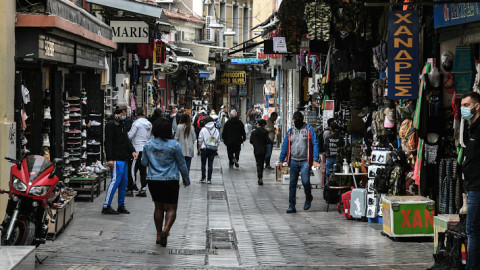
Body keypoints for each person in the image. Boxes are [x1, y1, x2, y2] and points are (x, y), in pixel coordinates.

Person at [141, 118, 190, 246]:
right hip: (170, 180)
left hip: (154, 180)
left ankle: (158, 235)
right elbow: (182, 164)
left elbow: (144, 162)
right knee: (171, 208)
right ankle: (166, 229)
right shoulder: (174, 145)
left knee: (158, 207)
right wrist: (186, 179)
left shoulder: (148, 145)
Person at [279, 111, 320, 214]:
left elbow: (315, 143)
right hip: (293, 161)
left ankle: (308, 197)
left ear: (302, 119)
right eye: (295, 118)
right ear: (293, 119)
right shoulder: (290, 131)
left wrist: (315, 159)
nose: (297, 120)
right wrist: (281, 160)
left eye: (298, 118)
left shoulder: (309, 129)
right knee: (292, 183)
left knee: (305, 181)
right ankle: (291, 205)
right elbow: (285, 145)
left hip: (305, 161)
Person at [102, 102, 137, 215]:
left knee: (123, 182)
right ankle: (106, 205)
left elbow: (126, 139)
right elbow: (108, 143)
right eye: (125, 112)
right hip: (116, 158)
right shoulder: (111, 124)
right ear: (122, 112)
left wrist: (132, 150)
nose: (126, 114)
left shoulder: (121, 123)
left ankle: (121, 205)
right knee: (115, 181)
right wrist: (110, 159)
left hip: (123, 157)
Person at [461, 92, 480, 269]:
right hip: (472, 186)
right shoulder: (471, 128)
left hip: (477, 187)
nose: (463, 109)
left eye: (467, 105)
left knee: (472, 231)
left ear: (477, 106)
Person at [127, 108, 152, 197]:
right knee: (143, 170)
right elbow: (150, 137)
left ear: (136, 114)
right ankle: (143, 189)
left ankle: (130, 188)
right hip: (145, 149)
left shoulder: (136, 123)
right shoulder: (149, 124)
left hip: (136, 149)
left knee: (132, 169)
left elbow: (130, 136)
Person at [198, 116, 221, 184]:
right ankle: (209, 179)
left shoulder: (203, 129)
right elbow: (218, 140)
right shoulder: (216, 130)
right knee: (210, 164)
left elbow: (200, 139)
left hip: (204, 148)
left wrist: (199, 147)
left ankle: (203, 177)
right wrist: (216, 147)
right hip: (212, 149)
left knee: (203, 164)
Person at [250, 119, 273, 185]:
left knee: (258, 163)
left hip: (256, 150)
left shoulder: (254, 132)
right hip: (263, 150)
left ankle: (259, 177)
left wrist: (255, 144)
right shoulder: (265, 132)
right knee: (261, 163)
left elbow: (251, 141)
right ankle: (260, 177)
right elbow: (268, 141)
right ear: (263, 125)